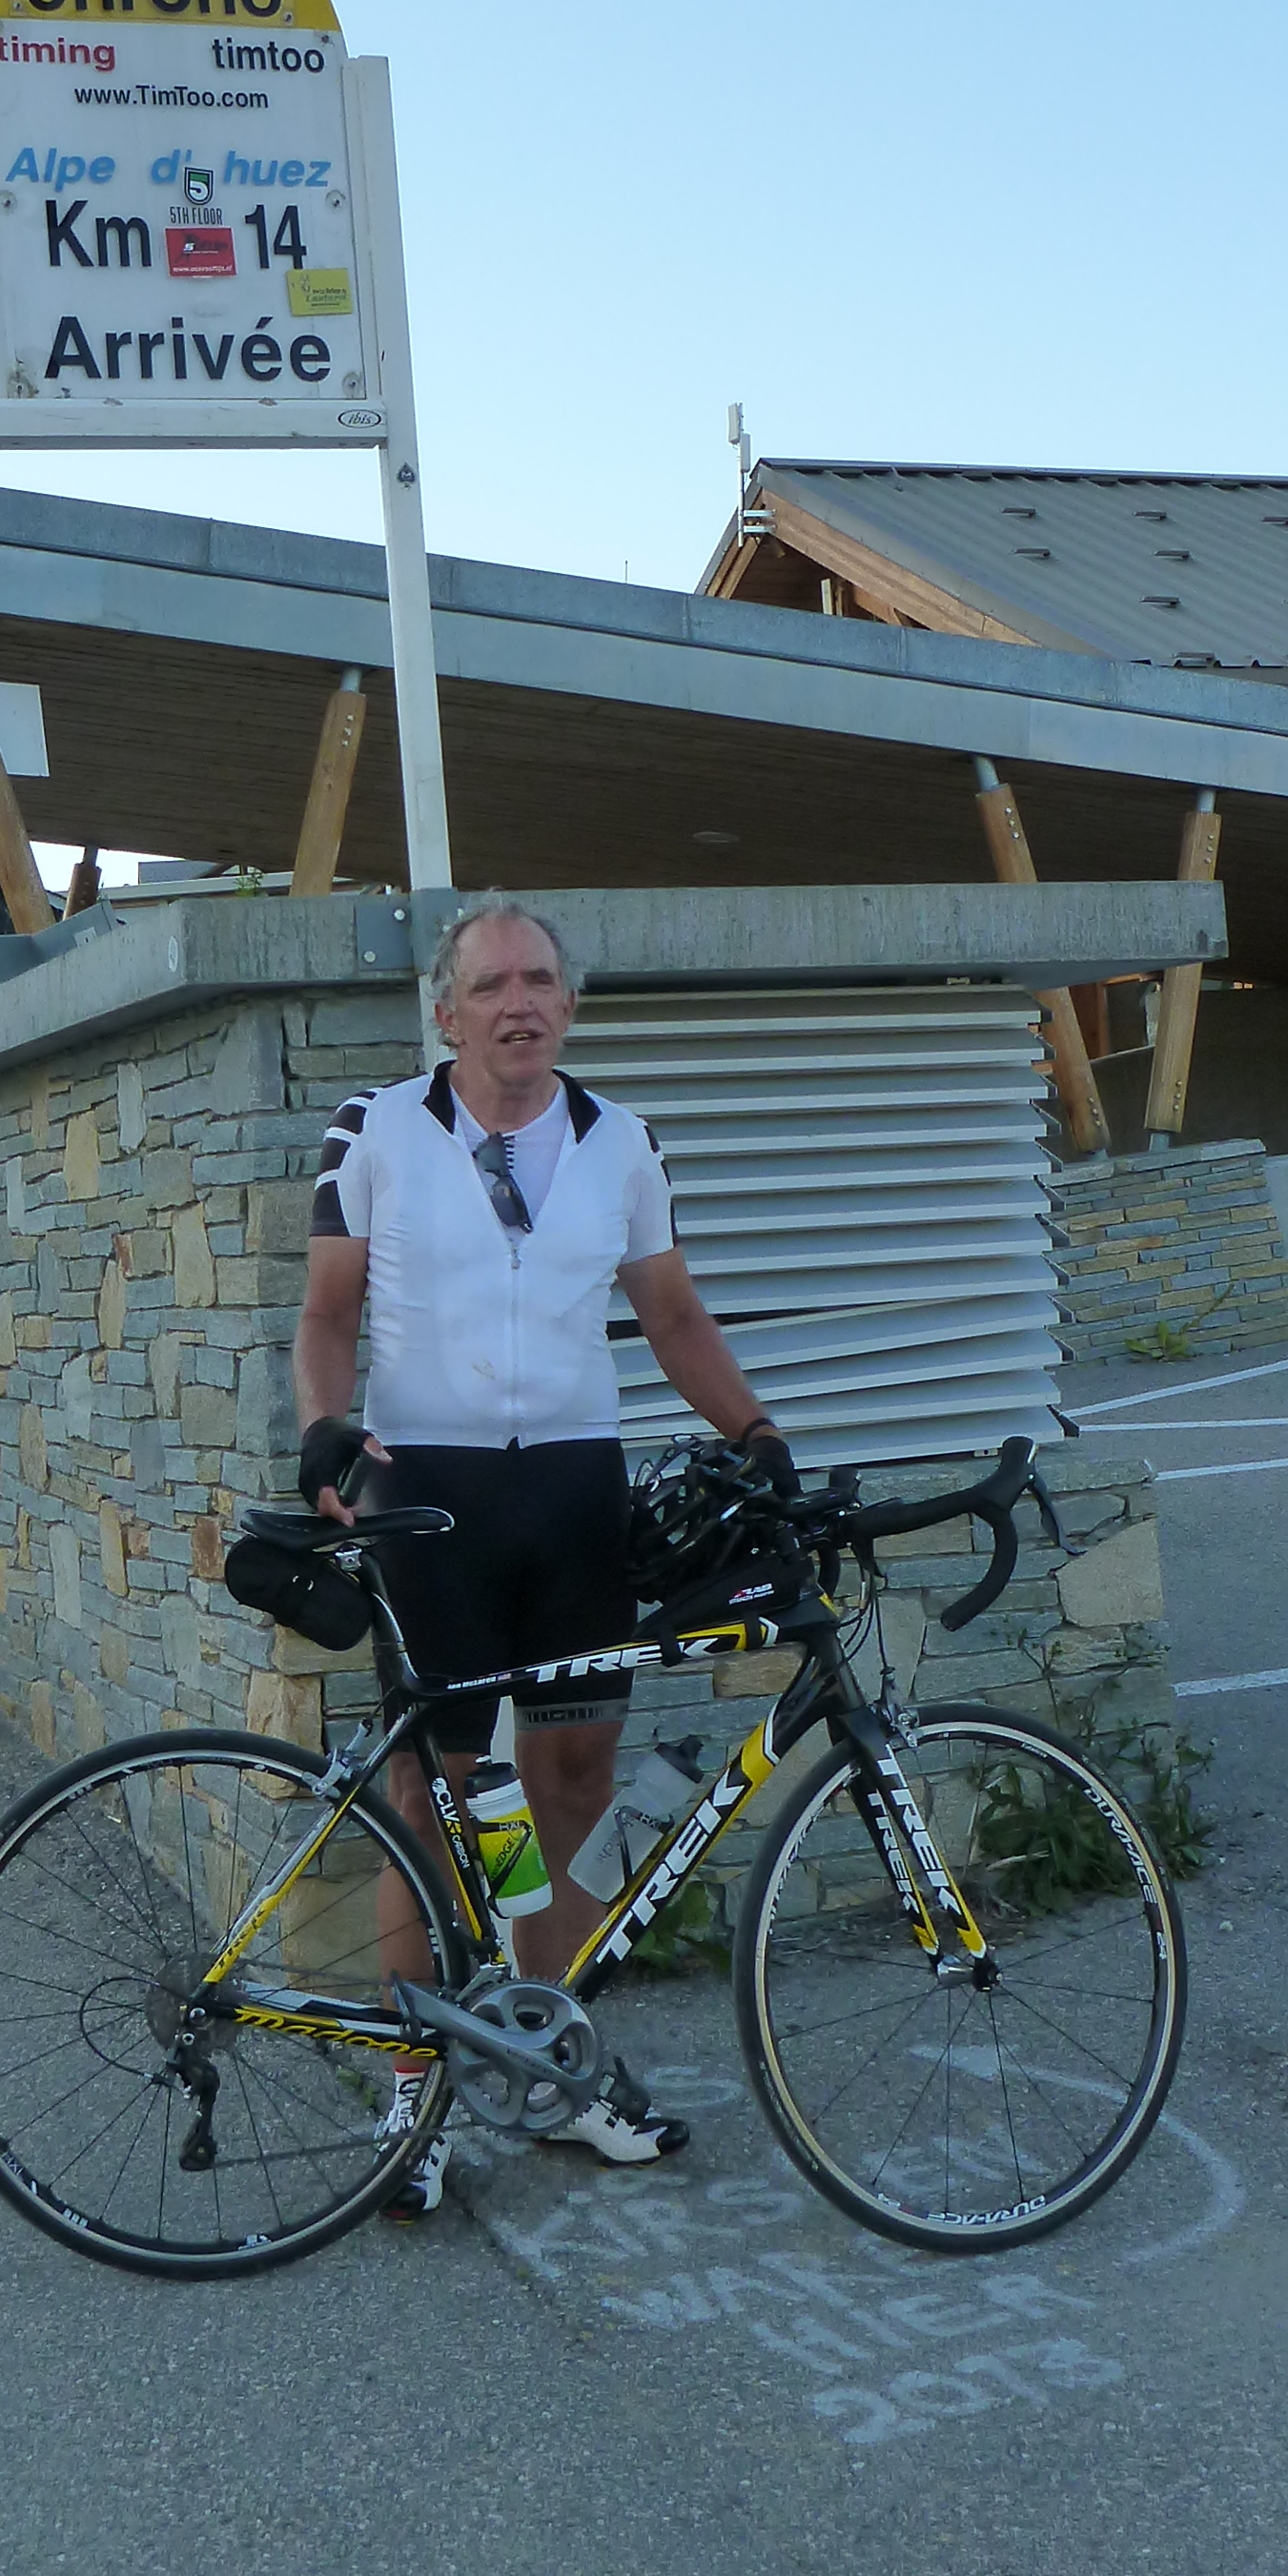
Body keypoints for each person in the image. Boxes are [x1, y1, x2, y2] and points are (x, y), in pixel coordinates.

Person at [292, 900, 795, 2217]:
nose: (519, 1002)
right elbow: (328, 1316)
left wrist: (754, 1430)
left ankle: (545, 2053)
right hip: (432, 1495)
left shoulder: (620, 1143)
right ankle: (419, 2080)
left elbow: (672, 1313)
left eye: (541, 981)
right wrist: (325, 1436)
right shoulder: (376, 1132)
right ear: (444, 1012)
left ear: (569, 1005)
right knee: (436, 1794)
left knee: (570, 1772)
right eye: (490, 984)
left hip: (575, 1490)